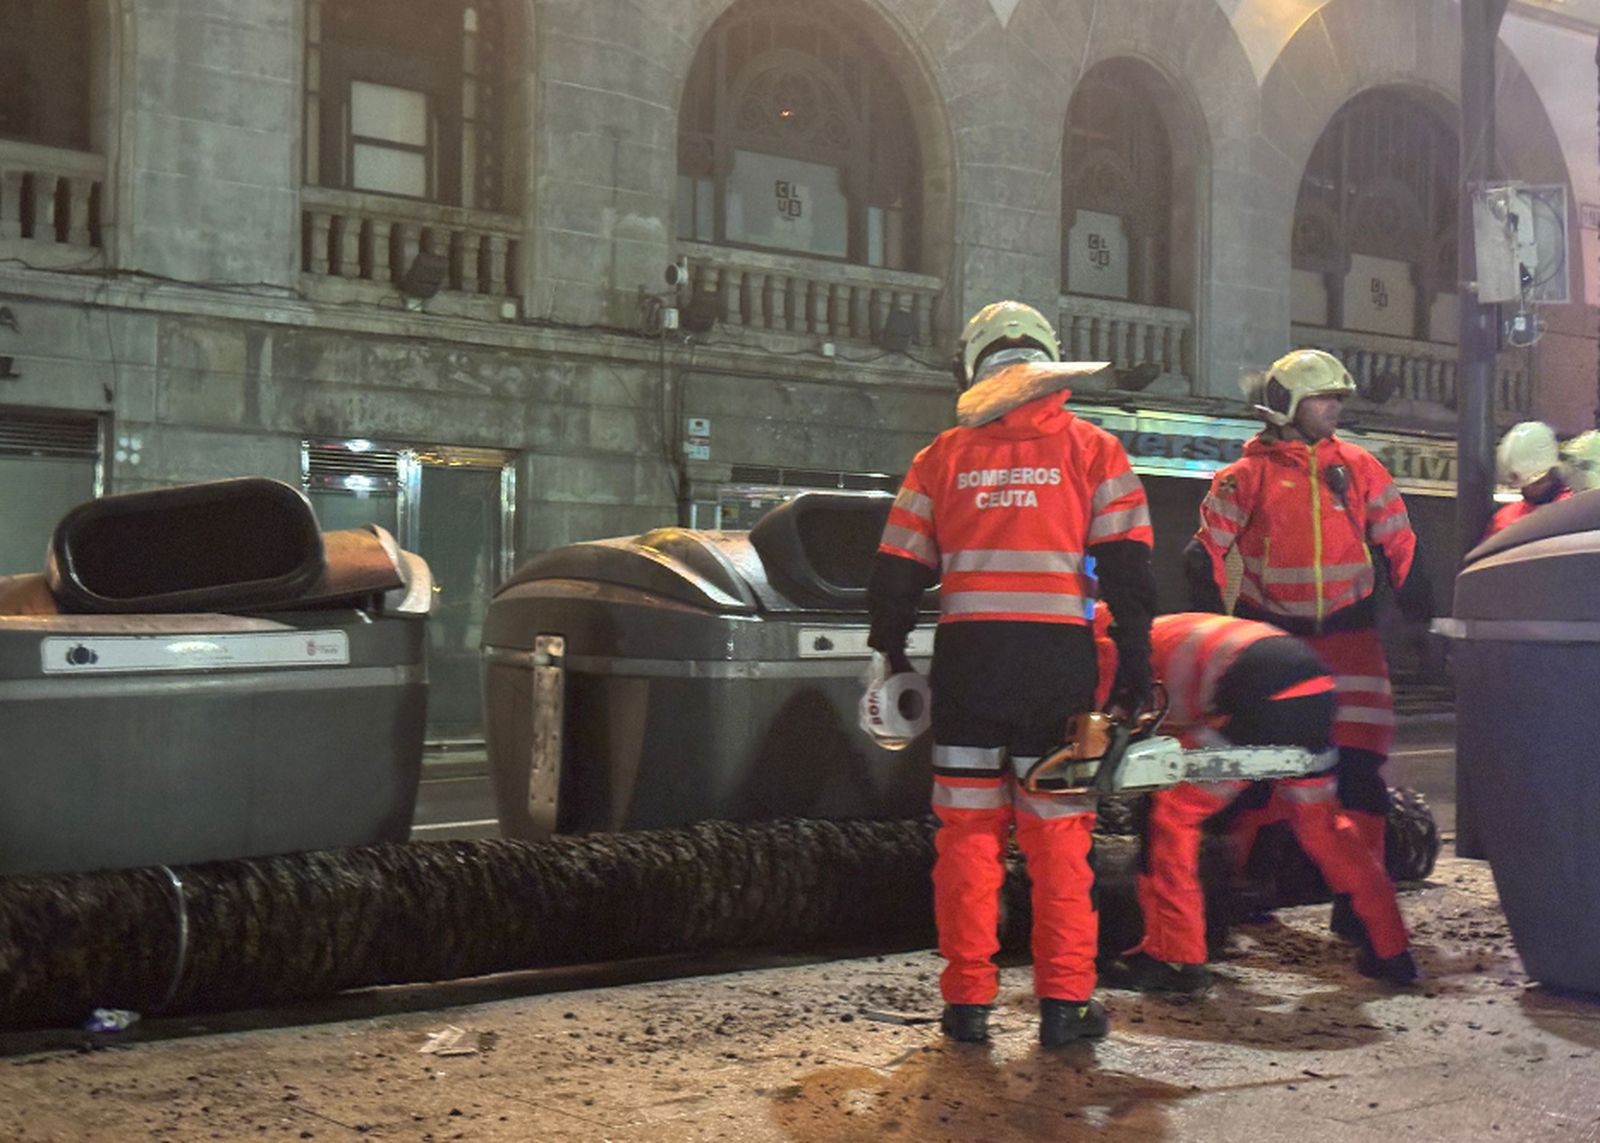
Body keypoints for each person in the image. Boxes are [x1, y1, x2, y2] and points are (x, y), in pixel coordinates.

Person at [867, 300, 1158, 1048]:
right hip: (1055, 667)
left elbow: (898, 568)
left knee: (966, 838)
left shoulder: (941, 457)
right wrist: (1133, 662)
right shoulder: (1094, 450)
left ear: (973, 366)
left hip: (967, 668)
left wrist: (890, 650)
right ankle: (1066, 1003)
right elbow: (1128, 571)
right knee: (1059, 840)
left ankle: (966, 1004)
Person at [1182, 348, 1432, 942]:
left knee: (1361, 772)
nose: (1336, 409)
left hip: (1351, 639)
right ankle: (1226, 894)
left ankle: (1357, 903)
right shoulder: (1244, 477)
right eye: (1326, 398)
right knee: (1254, 769)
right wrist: (1220, 627)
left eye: (1339, 399)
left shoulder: (1361, 468)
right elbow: (1205, 552)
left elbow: (1401, 543)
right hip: (1278, 645)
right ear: (1287, 405)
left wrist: (1421, 614)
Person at [1088, 608, 1418, 990]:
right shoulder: (1162, 630)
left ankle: (1173, 959)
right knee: (1323, 826)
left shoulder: (1113, 649)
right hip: (1312, 690)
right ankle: (1391, 950)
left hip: (1255, 691)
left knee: (1168, 815)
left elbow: (1118, 722)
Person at [1482, 421, 1572, 541]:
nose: (1530, 490)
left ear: (1551, 473)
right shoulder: (1504, 520)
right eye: (1524, 486)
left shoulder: (1574, 511)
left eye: (1537, 483)